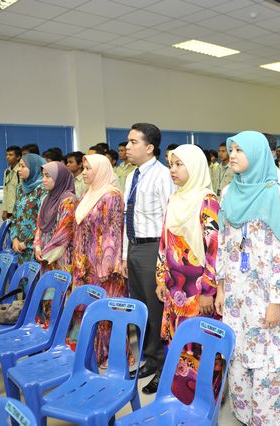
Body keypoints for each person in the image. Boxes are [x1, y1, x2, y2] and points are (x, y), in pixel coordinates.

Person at [214, 131, 280, 425]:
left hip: (266, 293)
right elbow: (223, 243)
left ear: (257, 154)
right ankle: (244, 415)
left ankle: (265, 420)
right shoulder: (228, 192)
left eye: (240, 150)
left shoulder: (273, 192)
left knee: (266, 361)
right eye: (231, 149)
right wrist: (220, 286)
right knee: (237, 355)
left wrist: (277, 301)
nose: (232, 155)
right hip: (235, 291)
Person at [154, 144, 222, 405]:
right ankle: (180, 395)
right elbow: (164, 242)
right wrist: (161, 278)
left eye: (179, 164)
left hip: (197, 288)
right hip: (175, 288)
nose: (172, 169)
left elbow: (214, 250)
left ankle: (205, 400)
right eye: (171, 164)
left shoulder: (208, 201)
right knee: (178, 340)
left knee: (200, 342)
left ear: (194, 167)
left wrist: (208, 291)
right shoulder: (174, 198)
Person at [122, 123, 175, 394]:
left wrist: (163, 262)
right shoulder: (131, 176)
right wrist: (124, 255)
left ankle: (164, 366)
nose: (127, 147)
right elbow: (127, 217)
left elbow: (169, 221)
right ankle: (151, 360)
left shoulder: (163, 176)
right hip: (134, 247)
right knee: (142, 310)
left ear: (150, 147)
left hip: (154, 248)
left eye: (134, 142)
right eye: (128, 141)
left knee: (157, 311)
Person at [70, 154, 126, 366]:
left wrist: (107, 266)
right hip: (84, 262)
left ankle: (108, 355)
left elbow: (114, 232)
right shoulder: (88, 193)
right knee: (87, 308)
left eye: (88, 169)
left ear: (101, 170)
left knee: (105, 312)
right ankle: (90, 352)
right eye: (83, 168)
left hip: (103, 266)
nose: (83, 172)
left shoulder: (111, 195)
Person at [33, 161, 77, 328]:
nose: (43, 180)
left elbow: (64, 233)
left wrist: (46, 254)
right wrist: (37, 247)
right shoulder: (46, 198)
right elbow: (39, 226)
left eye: (48, 176)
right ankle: (49, 331)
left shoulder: (68, 200)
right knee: (48, 294)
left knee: (61, 295)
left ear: (60, 178)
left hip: (61, 256)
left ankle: (63, 335)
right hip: (45, 255)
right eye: (43, 176)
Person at [9, 153, 47, 264]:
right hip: (19, 245)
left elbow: (43, 221)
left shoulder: (43, 189)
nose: (19, 169)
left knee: (35, 274)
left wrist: (27, 243)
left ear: (34, 168)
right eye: (19, 166)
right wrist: (14, 238)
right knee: (21, 274)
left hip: (36, 246)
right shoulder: (20, 188)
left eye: (23, 166)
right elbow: (15, 216)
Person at [2, 145, 21, 221]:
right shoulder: (7, 171)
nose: (7, 157)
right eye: (6, 155)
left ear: (18, 157)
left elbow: (22, 193)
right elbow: (5, 191)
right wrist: (4, 210)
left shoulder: (21, 171)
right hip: (9, 210)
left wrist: (17, 211)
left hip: (19, 210)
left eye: (10, 155)